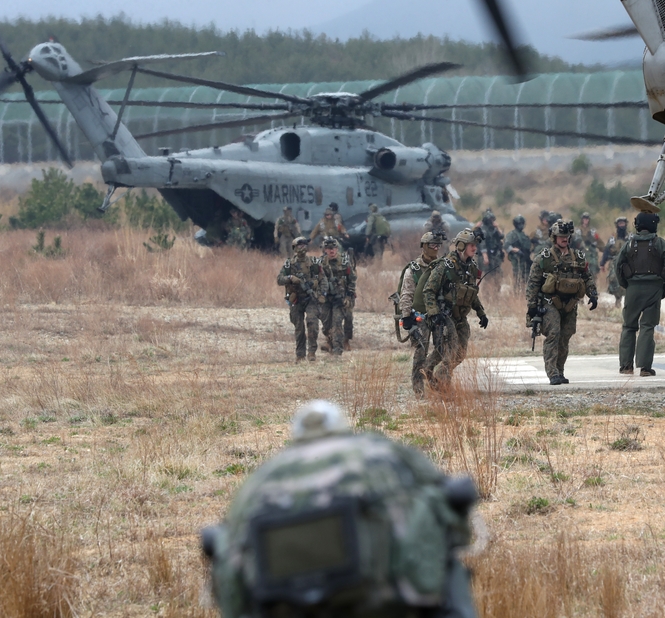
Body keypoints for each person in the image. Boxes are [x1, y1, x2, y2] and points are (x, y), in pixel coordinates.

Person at [201, 400, 479, 618]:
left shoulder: (257, 484)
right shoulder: (381, 453)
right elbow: (446, 507)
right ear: (343, 428)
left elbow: (228, 558)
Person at [526, 219, 598, 385]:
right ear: (554, 237)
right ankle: (552, 373)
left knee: (565, 337)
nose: (564, 238)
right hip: (549, 302)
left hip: (571, 304)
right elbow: (533, 283)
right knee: (554, 333)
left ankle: (560, 370)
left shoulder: (578, 257)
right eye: (560, 236)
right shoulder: (544, 258)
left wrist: (592, 294)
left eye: (566, 235)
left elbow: (587, 277)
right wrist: (532, 307)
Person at [614, 212, 665, 376]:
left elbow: (618, 265)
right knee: (647, 327)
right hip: (653, 290)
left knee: (628, 326)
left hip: (633, 289)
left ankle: (625, 366)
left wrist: (625, 284)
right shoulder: (660, 243)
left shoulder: (629, 244)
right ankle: (644, 367)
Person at [422, 228, 488, 386]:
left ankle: (427, 368)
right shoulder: (445, 266)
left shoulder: (471, 267)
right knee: (450, 351)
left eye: (475, 245)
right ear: (460, 246)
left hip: (461, 317)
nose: (474, 248)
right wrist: (434, 313)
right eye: (471, 245)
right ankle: (443, 386)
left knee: (460, 353)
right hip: (445, 316)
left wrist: (481, 313)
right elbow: (428, 290)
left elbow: (471, 292)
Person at [399, 231, 445, 395]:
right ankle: (418, 390)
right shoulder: (413, 269)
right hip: (420, 316)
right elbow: (406, 294)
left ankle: (429, 372)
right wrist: (406, 316)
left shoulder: (442, 266)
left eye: (438, 245)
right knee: (420, 351)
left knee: (442, 350)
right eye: (433, 245)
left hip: (439, 315)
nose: (436, 248)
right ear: (424, 246)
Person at [276, 237, 324, 362]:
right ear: (294, 248)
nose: (302, 248)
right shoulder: (289, 264)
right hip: (296, 298)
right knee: (299, 327)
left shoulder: (314, 262)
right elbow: (279, 280)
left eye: (304, 245)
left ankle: (312, 352)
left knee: (312, 323)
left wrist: (319, 290)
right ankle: (300, 354)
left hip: (311, 298)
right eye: (299, 245)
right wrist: (291, 278)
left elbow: (323, 278)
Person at [317, 236, 357, 356]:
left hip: (341, 297)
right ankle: (329, 341)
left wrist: (349, 296)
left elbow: (352, 279)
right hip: (326, 298)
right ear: (325, 250)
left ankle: (338, 348)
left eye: (334, 248)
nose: (332, 251)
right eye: (329, 249)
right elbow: (316, 279)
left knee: (339, 321)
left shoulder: (344, 262)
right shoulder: (321, 263)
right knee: (326, 323)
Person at [601, 216, 630, 308]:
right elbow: (606, 251)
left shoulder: (630, 237)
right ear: (617, 225)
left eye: (623, 223)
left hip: (627, 262)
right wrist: (602, 263)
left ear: (626, 224)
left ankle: (628, 303)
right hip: (615, 262)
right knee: (614, 280)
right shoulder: (612, 238)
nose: (621, 225)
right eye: (619, 223)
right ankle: (618, 300)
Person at [475, 208, 505, 281]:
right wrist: (485, 257)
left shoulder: (493, 228)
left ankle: (495, 289)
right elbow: (482, 244)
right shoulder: (482, 229)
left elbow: (502, 236)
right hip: (486, 255)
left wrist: (497, 227)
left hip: (494, 254)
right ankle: (487, 290)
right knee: (487, 275)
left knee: (498, 273)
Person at [504, 214, 532, 289]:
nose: (521, 225)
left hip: (526, 260)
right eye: (519, 224)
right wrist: (515, 250)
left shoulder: (524, 235)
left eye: (522, 223)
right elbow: (506, 245)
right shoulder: (512, 234)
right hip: (518, 261)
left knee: (527, 278)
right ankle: (517, 294)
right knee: (518, 280)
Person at [573, 211, 601, 278]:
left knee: (593, 273)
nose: (586, 220)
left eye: (587, 219)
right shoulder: (577, 230)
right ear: (582, 220)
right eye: (584, 218)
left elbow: (599, 242)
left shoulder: (593, 231)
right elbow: (573, 242)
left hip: (591, 255)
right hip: (581, 254)